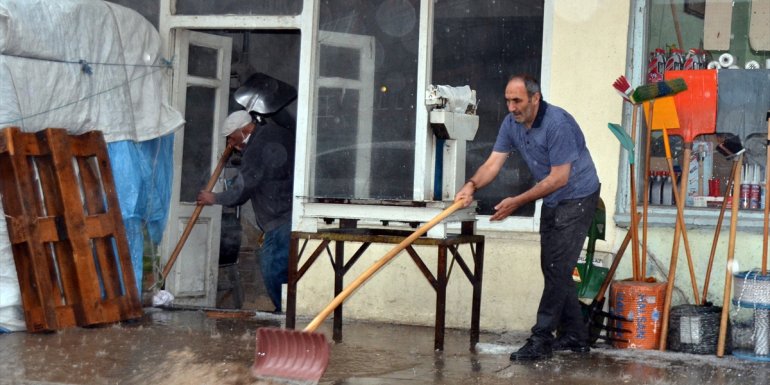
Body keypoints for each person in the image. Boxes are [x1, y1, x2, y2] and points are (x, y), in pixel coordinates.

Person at [455, 74, 600, 361]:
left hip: (578, 196)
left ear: (535, 98)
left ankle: (541, 339)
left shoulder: (557, 124)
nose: (511, 107)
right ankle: (575, 336)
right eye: (508, 100)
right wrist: (471, 185)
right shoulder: (512, 124)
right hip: (553, 197)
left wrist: (517, 202)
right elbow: (493, 163)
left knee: (558, 268)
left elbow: (559, 178)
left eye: (517, 100)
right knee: (553, 267)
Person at [197, 110, 295, 313]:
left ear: (245, 130)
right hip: (287, 210)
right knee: (282, 266)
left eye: (232, 138)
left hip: (279, 216)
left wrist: (213, 198)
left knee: (271, 265)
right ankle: (287, 310)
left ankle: (284, 312)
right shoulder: (272, 133)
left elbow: (242, 190)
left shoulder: (256, 148)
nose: (231, 144)